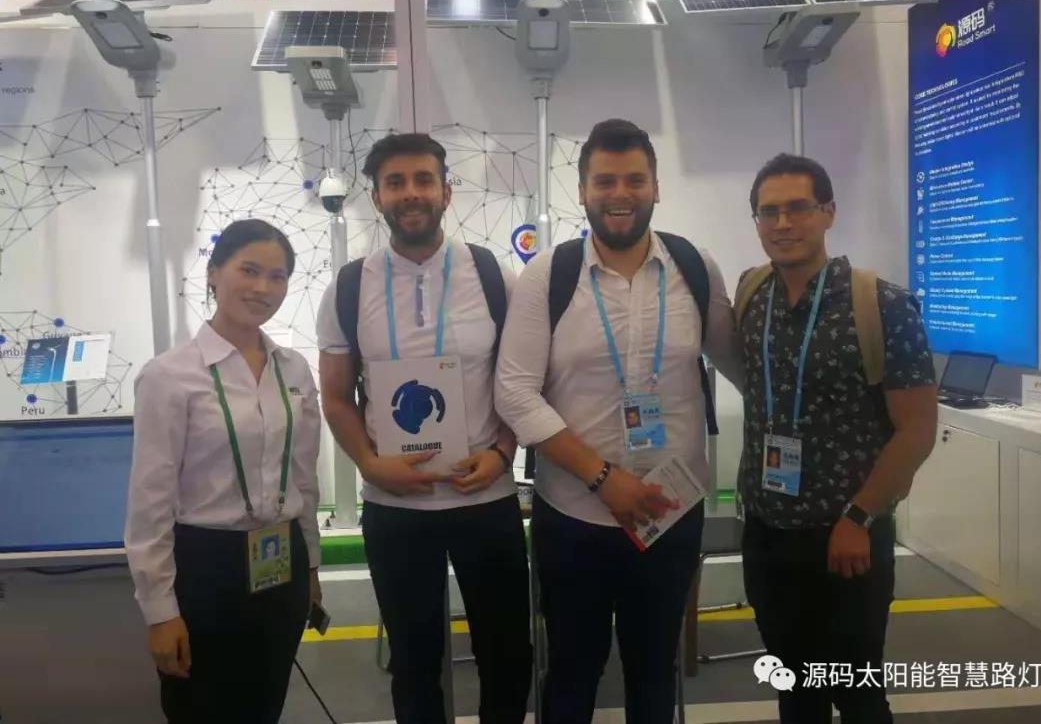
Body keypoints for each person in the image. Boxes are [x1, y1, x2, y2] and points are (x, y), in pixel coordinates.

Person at [495, 119, 741, 723]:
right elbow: (515, 392)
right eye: (604, 181)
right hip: (574, 516)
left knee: (654, 672)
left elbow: (742, 366)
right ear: (582, 191)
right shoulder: (548, 275)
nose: (620, 193)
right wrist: (605, 478)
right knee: (572, 672)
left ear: (656, 186)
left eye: (635, 179)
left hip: (669, 512)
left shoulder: (694, 267)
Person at [316, 133, 532, 724]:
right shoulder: (349, 287)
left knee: (507, 655)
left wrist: (503, 453)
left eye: (423, 180)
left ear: (446, 192)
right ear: (377, 197)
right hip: (396, 507)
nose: (410, 193)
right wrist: (369, 463)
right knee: (413, 663)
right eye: (395, 183)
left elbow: (519, 383)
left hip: (484, 496)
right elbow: (335, 397)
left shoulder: (492, 275)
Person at [735, 153, 938, 723]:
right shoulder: (752, 296)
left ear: (828, 212)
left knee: (856, 693)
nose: (783, 223)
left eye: (798, 207)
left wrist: (859, 516)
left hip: (848, 535)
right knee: (795, 690)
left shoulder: (882, 304)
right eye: (768, 212)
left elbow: (918, 428)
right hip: (768, 533)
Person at [125, 219, 323, 724]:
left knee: (264, 707)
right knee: (201, 710)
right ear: (214, 273)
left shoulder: (294, 370)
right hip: (205, 568)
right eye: (249, 270)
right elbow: (150, 502)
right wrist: (160, 611)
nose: (263, 288)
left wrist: (312, 568)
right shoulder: (170, 375)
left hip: (282, 561)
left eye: (277, 276)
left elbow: (303, 477)